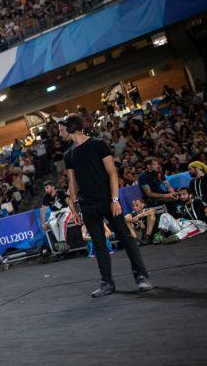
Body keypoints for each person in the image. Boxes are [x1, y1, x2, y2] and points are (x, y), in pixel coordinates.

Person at [59, 115, 152, 297]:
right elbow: (72, 183)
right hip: (87, 205)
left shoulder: (98, 144)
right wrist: (75, 209)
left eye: (62, 129)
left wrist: (115, 200)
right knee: (99, 244)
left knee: (126, 237)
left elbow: (112, 173)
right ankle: (107, 283)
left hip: (108, 201)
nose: (60, 132)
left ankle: (141, 276)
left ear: (70, 128)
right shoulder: (68, 154)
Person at [40, 181, 71, 252]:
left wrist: (74, 212)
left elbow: (69, 202)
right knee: (52, 224)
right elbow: (43, 211)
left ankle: (62, 242)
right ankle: (62, 245)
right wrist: (43, 223)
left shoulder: (61, 193)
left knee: (61, 222)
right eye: (45, 188)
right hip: (54, 213)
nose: (46, 190)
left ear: (53, 187)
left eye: (47, 188)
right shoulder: (46, 197)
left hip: (65, 210)